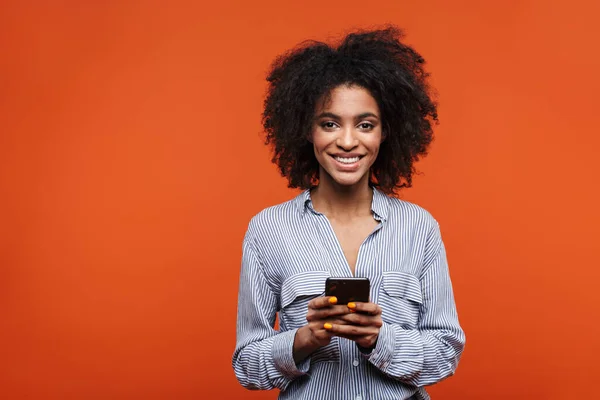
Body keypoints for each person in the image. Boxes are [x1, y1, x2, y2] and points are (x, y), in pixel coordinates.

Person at [232, 26, 465, 400]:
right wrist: (304, 340)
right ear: (306, 130)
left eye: (365, 124)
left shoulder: (419, 227)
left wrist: (379, 339)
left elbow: (445, 352)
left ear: (385, 132)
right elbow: (247, 365)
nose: (347, 141)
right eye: (329, 123)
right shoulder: (268, 230)